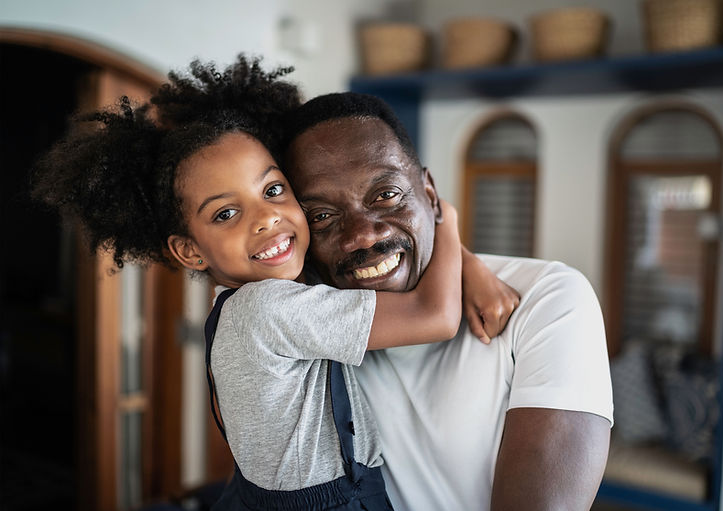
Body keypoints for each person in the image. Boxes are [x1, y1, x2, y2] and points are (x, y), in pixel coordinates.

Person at [31, 57, 515, 510]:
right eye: (226, 213)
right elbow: (436, 316)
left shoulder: (266, 290)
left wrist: (468, 263)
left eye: (273, 190)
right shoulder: (269, 308)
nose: (265, 219)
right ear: (190, 251)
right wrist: (445, 217)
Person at [279, 92, 614, 511]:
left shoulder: (548, 299)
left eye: (385, 195)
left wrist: (457, 251)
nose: (362, 234)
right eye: (322, 217)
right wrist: (458, 247)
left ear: (430, 194)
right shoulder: (303, 318)